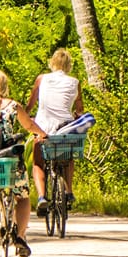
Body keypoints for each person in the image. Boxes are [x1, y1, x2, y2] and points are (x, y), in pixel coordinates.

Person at [0, 69, 47, 257]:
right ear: (6, 86)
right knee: (22, 197)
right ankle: (20, 237)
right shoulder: (14, 106)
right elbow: (29, 125)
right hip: (8, 157)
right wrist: (42, 134)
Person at [25, 48, 83, 215]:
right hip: (65, 128)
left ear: (52, 63)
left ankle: (42, 197)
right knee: (68, 156)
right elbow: (79, 109)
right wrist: (76, 115)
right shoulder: (75, 82)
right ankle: (69, 191)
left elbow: (30, 105)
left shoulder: (42, 79)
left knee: (38, 163)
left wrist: (26, 117)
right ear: (68, 66)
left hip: (44, 129)